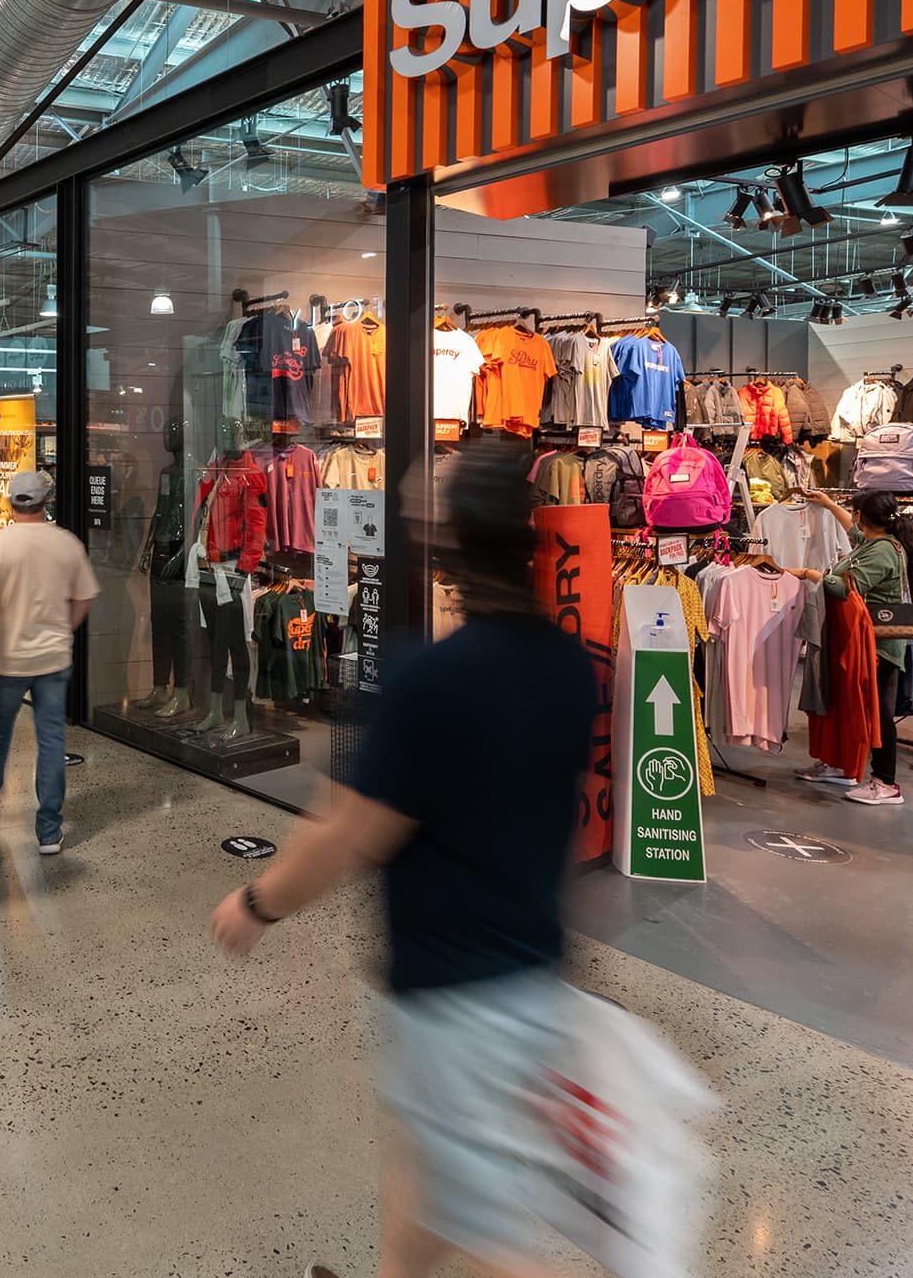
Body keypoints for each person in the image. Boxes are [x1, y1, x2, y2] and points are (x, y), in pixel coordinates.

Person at [208, 443, 599, 1278]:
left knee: (483, 1228)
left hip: (451, 991)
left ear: (449, 546)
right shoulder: (568, 665)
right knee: (428, 1167)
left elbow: (353, 831)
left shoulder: (433, 676)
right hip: (530, 968)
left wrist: (258, 901)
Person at [0, 469, 96, 855]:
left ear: (10, 502)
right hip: (54, 658)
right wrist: (64, 629)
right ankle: (49, 831)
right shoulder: (67, 543)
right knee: (51, 740)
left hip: (10, 659)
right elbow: (84, 597)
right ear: (45, 501)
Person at [787, 488, 913, 807]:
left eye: (856, 512)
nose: (853, 519)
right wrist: (827, 503)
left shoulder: (881, 551)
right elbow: (853, 532)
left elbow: (849, 586)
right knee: (850, 707)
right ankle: (842, 767)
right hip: (862, 641)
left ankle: (885, 782)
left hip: (878, 646)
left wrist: (810, 574)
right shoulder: (877, 540)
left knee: (876, 713)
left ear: (866, 517)